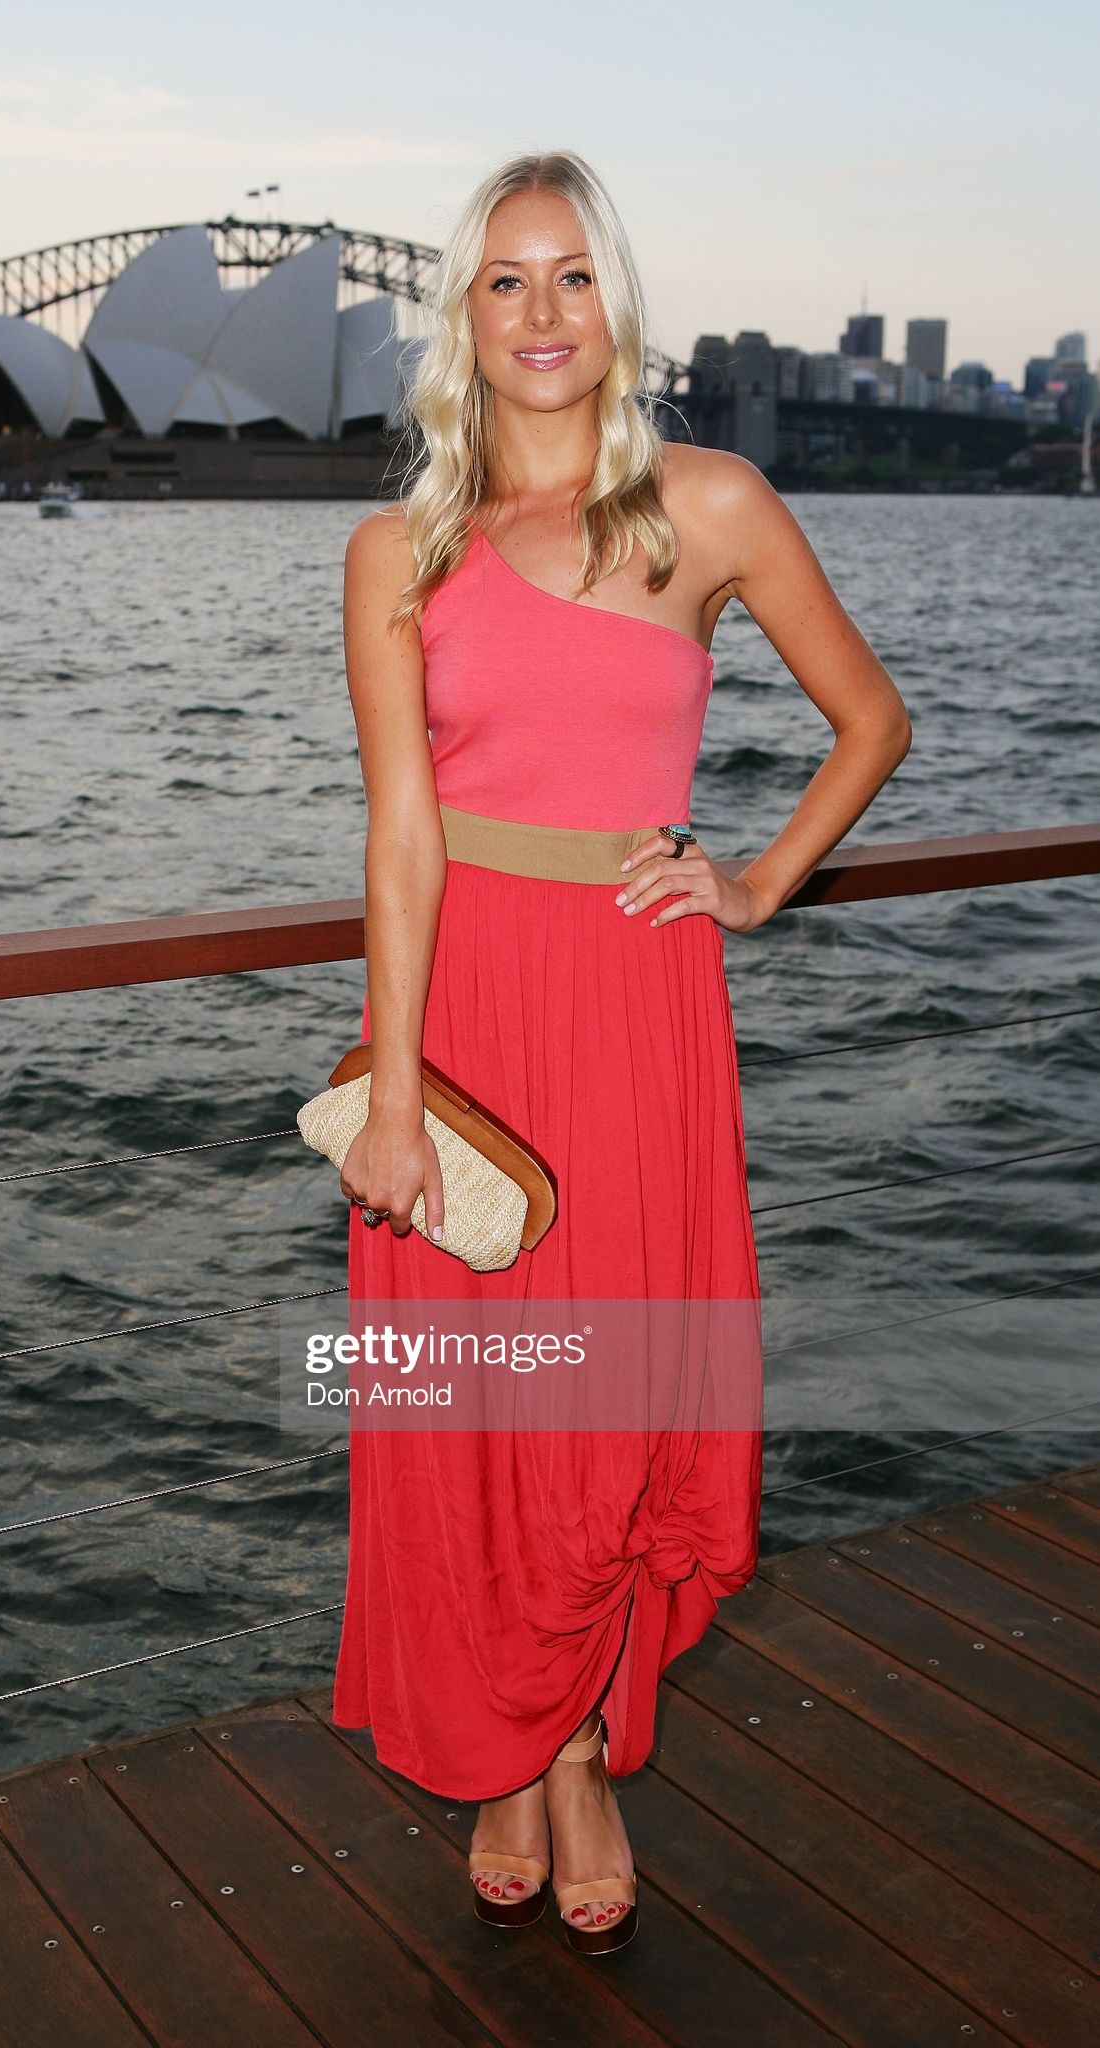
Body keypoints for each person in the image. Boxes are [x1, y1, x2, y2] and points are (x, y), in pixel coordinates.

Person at [331, 148, 911, 1958]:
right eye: (506, 280)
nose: (543, 313)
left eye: (573, 275)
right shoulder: (397, 553)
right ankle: (510, 1753)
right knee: (474, 1416)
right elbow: (402, 839)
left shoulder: (709, 506)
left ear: (618, 305)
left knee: (608, 1406)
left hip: (637, 1011)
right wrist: (395, 1096)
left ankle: (574, 1745)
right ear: (465, 317)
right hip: (462, 1021)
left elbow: (871, 720)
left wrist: (753, 883)